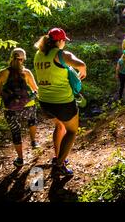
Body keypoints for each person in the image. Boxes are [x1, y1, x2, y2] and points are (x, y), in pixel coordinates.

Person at [34, 28, 87, 176]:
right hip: (63, 102)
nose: (65, 43)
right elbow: (81, 64)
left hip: (44, 101)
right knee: (71, 131)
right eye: (64, 40)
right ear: (59, 41)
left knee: (59, 126)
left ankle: (59, 157)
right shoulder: (60, 54)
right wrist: (82, 72)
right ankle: (58, 165)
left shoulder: (38, 54)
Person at [0, 48, 40, 168]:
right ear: (23, 59)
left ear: (11, 57)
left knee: (15, 132)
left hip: (10, 109)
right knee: (32, 120)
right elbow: (36, 89)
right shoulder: (26, 72)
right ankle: (34, 142)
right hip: (28, 106)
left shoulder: (2, 73)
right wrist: (33, 96)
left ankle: (20, 159)